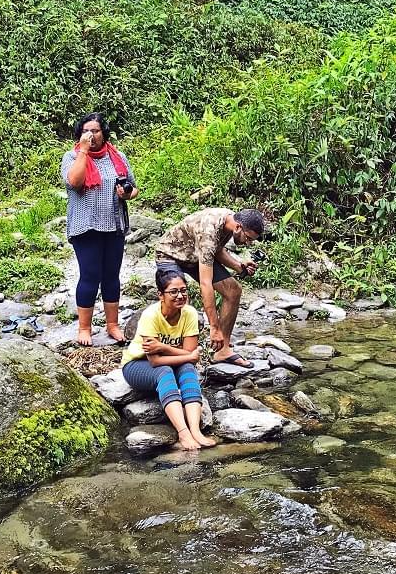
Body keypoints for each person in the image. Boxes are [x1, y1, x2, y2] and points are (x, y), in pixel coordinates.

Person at [61, 112, 137, 346]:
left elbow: (133, 188)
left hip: (114, 224)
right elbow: (74, 182)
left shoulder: (118, 156)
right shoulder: (72, 156)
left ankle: (112, 325)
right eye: (86, 131)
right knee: (90, 276)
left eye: (95, 130)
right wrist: (84, 151)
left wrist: (127, 193)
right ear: (79, 134)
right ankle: (84, 328)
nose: (91, 135)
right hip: (86, 226)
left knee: (111, 277)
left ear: (103, 133)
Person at [154, 207, 264, 367]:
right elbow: (206, 284)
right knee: (178, 298)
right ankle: (175, 354)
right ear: (238, 227)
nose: (248, 243)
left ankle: (222, 350)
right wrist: (214, 327)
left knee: (233, 290)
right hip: (170, 255)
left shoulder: (229, 221)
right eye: (248, 238)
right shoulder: (209, 230)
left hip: (194, 255)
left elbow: (217, 250)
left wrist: (239, 266)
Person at [123, 267, 215, 451]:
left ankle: (196, 431)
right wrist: (187, 355)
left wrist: (164, 347)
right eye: (173, 292)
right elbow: (155, 361)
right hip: (137, 365)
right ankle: (183, 432)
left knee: (188, 369)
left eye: (183, 291)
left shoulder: (188, 313)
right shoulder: (151, 315)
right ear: (161, 295)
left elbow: (189, 353)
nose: (180, 296)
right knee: (164, 371)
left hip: (169, 359)